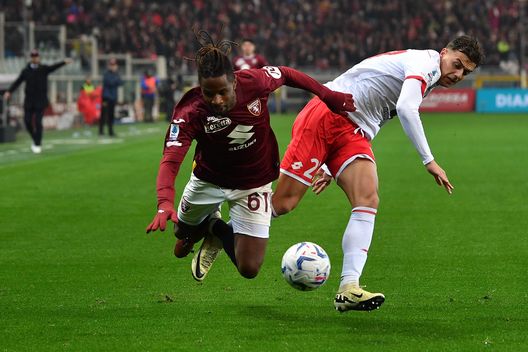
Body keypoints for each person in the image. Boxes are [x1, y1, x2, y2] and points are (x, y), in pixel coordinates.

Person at [270, 35, 484, 312]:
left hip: (354, 131)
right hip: (327, 115)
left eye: (465, 72)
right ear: (444, 52)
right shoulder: (425, 64)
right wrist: (428, 160)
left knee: (368, 200)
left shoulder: (430, 77)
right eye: (456, 64)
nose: (458, 74)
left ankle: (349, 288)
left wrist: (328, 166)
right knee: (283, 204)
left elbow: (380, 113)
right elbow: (407, 109)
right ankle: (223, 229)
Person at [145, 30, 355, 282]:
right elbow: (170, 159)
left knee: (249, 268)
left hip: (253, 182)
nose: (217, 99)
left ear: (234, 82)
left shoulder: (255, 82)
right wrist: (164, 202)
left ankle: (216, 230)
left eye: (222, 91)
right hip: (209, 180)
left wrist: (327, 95)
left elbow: (287, 74)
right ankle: (209, 223)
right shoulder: (190, 111)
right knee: (181, 235)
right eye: (209, 93)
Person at [3, 49, 72, 153]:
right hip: (29, 101)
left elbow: (54, 67)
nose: (35, 58)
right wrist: (9, 91)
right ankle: (35, 138)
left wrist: (64, 62)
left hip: (40, 101)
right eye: (33, 56)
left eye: (36, 56)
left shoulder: (43, 69)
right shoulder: (26, 71)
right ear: (31, 58)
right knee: (27, 121)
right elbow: (18, 82)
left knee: (38, 122)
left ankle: (38, 143)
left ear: (39, 57)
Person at [100, 58, 122, 136]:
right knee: (104, 114)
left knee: (111, 115)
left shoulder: (116, 74)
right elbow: (110, 82)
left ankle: (110, 131)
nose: (113, 67)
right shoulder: (107, 74)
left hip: (113, 97)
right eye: (112, 65)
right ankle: (101, 131)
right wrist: (116, 78)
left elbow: (121, 82)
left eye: (114, 65)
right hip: (106, 97)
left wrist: (116, 77)